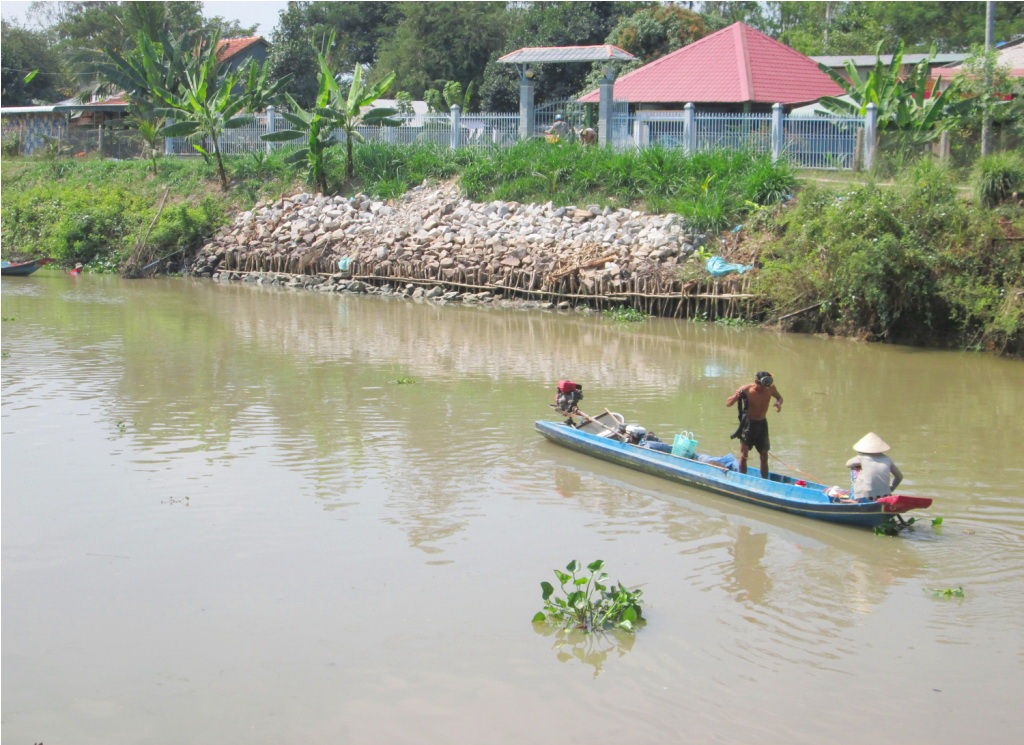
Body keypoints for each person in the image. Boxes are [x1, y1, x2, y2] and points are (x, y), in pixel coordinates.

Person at [726, 371, 783, 478]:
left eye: (766, 386)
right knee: (744, 455)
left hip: (762, 424)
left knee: (764, 455)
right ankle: (742, 479)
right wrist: (735, 397)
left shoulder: (770, 388)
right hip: (748, 425)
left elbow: (780, 397)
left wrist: (779, 403)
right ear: (756, 382)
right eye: (761, 386)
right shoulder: (746, 390)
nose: (763, 389)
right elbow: (728, 403)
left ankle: (765, 480)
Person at [845, 432, 903, 502]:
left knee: (854, 468)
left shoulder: (861, 458)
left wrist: (860, 462)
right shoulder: (887, 459)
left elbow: (848, 464)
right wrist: (891, 489)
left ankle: (855, 498)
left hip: (866, 496)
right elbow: (899, 476)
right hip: (886, 495)